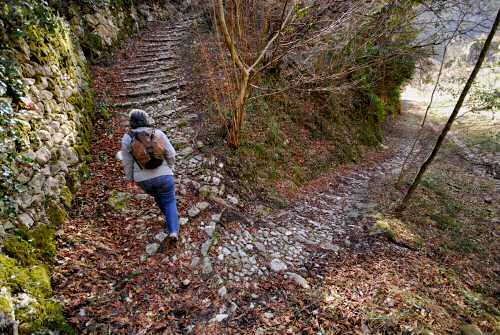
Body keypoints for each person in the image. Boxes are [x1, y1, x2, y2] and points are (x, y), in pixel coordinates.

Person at [120, 109, 179, 243]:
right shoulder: (157, 133)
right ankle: (173, 230)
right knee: (169, 201)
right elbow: (171, 154)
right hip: (164, 175)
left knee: (158, 197)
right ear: (146, 120)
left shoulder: (127, 138)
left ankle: (171, 219)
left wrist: (131, 180)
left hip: (143, 180)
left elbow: (127, 163)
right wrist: (170, 168)